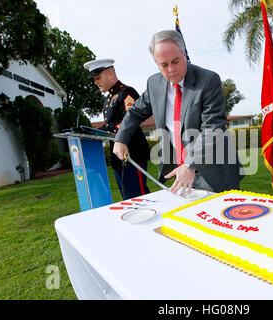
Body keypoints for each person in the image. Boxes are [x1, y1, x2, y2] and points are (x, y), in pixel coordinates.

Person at [113, 30, 243, 196]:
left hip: (213, 172)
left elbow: (213, 128)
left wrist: (189, 165)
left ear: (184, 54)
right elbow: (135, 112)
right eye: (164, 65)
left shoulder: (208, 80)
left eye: (175, 61)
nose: (171, 70)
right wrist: (121, 138)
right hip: (178, 172)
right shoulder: (154, 83)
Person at [83, 58, 151, 199]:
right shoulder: (108, 99)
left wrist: (104, 130)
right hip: (118, 157)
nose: (96, 82)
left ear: (110, 74)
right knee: (127, 197)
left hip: (133, 153)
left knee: (139, 196)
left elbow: (130, 121)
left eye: (98, 78)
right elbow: (111, 125)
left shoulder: (127, 93)